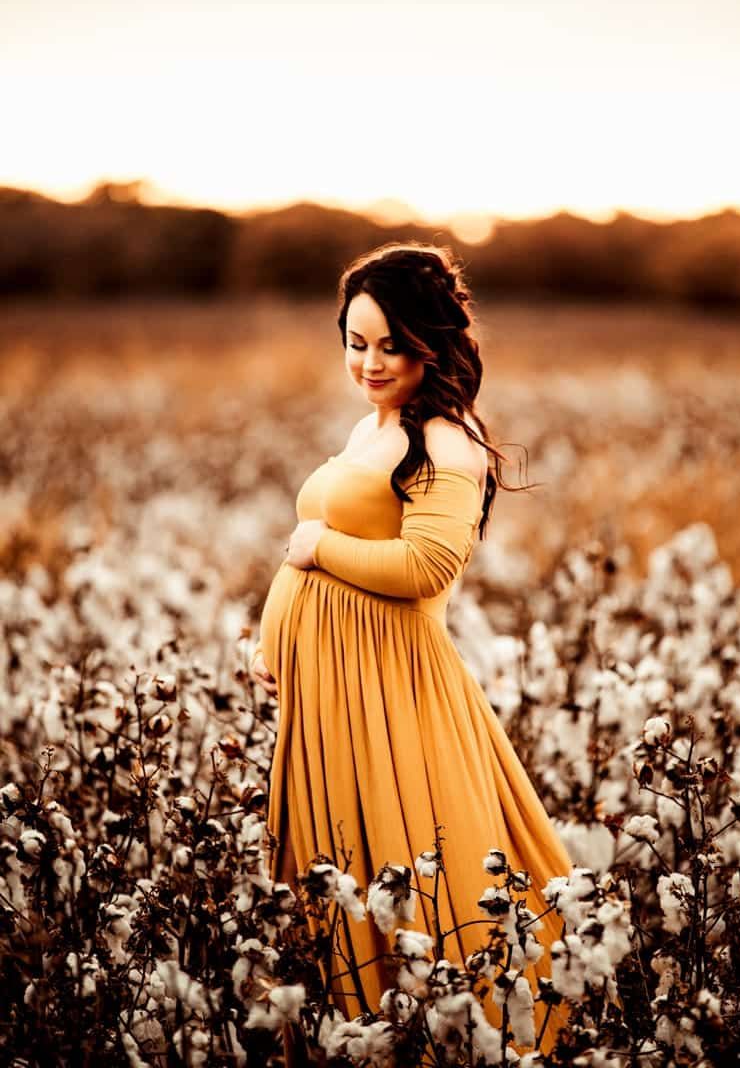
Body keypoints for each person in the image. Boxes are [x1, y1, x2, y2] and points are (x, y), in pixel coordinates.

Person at [250, 242, 573, 1062]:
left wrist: (317, 549)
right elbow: (315, 542)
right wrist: (272, 635)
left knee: (398, 865)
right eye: (355, 342)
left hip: (389, 692)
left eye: (389, 344)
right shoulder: (372, 427)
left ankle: (426, 1037)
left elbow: (426, 568)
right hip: (326, 693)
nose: (369, 362)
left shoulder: (447, 444)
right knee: (329, 870)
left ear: (431, 342)